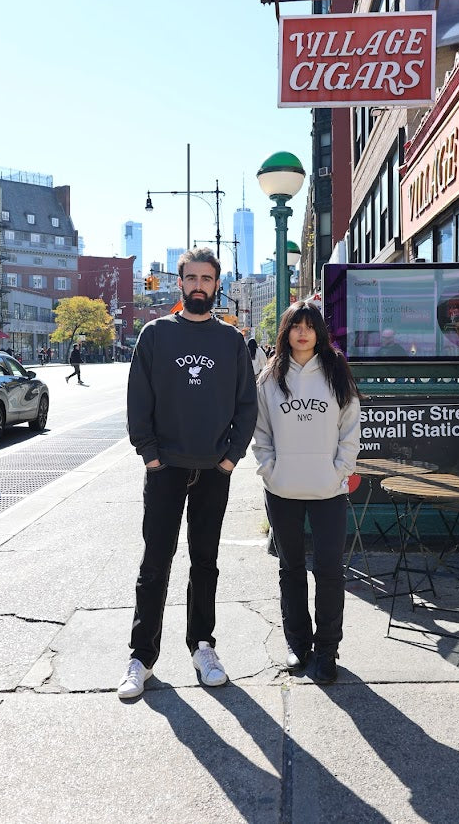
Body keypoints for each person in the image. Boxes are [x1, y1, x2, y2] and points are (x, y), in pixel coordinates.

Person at [118, 247, 258, 699]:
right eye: (191, 278)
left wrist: (231, 458)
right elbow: (138, 400)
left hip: (214, 470)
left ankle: (202, 646)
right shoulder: (156, 335)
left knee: (205, 563)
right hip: (165, 470)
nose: (199, 286)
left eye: (207, 279)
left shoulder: (231, 341)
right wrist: (151, 456)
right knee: (155, 563)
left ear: (217, 285)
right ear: (179, 283)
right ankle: (142, 657)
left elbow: (246, 405)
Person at [252, 301, 361, 684]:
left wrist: (339, 471)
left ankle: (327, 650)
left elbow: (350, 427)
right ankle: (298, 645)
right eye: (295, 325)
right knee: (291, 569)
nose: (302, 332)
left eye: (309, 326)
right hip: (282, 489)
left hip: (328, 490)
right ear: (286, 332)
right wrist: (270, 470)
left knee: (329, 571)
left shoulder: (335, 372)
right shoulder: (269, 377)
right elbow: (260, 431)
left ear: (319, 331)